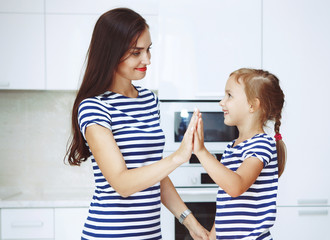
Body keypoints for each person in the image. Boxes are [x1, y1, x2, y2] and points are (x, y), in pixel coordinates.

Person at [65, 8, 208, 240]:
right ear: (111, 52)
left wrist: (190, 223)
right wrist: (178, 157)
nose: (147, 60)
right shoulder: (94, 107)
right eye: (136, 52)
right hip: (109, 235)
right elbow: (122, 183)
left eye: (148, 49)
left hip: (151, 235)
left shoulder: (149, 100)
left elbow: (155, 175)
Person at [192, 68, 286, 239]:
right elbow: (227, 205)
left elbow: (236, 187)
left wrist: (201, 152)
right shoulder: (232, 147)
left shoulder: (262, 145)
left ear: (252, 105)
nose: (222, 102)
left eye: (229, 95)